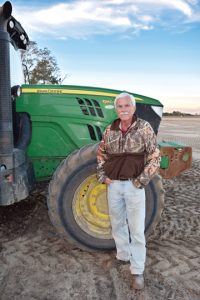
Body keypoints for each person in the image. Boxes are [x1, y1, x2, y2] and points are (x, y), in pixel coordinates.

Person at [96, 92, 160, 290]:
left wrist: (141, 181)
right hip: (113, 185)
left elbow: (154, 156)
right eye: (120, 106)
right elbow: (101, 154)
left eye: (127, 106)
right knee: (117, 224)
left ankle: (137, 270)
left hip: (134, 186)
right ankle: (123, 256)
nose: (123, 109)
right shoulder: (110, 129)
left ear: (133, 108)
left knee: (136, 229)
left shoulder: (144, 128)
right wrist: (102, 176)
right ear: (116, 109)